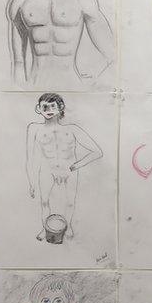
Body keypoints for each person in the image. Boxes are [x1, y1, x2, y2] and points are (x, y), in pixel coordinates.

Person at [25, 93, 103, 242]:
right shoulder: (34, 128)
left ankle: (69, 227)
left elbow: (97, 152)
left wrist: (74, 167)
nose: (48, 109)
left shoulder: (72, 129)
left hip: (69, 170)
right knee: (44, 201)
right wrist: (31, 181)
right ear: (38, 109)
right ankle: (44, 228)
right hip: (47, 170)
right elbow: (30, 158)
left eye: (53, 106)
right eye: (44, 107)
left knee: (69, 201)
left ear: (60, 108)